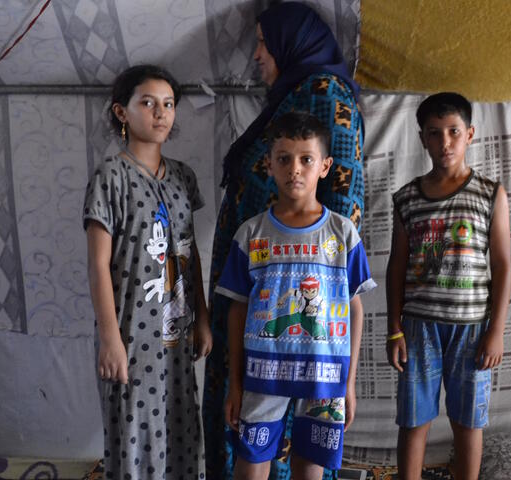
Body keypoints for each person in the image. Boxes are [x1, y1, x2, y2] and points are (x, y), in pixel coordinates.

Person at [204, 2, 365, 478]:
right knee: (252, 437)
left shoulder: (324, 94)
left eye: (262, 43)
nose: (256, 55)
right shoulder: (292, 97)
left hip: (308, 333)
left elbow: (344, 197)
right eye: (282, 159)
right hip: (258, 300)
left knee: (305, 454)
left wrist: (348, 381)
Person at [216, 112, 375, 479]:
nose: (295, 169)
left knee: (311, 467)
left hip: (324, 375)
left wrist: (347, 383)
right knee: (251, 461)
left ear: (324, 166)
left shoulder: (342, 233)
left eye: (306, 159)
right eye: (284, 158)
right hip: (263, 373)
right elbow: (237, 310)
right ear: (269, 165)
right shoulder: (252, 233)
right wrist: (236, 383)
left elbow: (355, 309)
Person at [83, 64, 213, 480]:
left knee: (180, 435)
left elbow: (188, 257)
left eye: (169, 104)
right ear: (122, 112)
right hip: (132, 338)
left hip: (176, 338)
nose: (161, 113)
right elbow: (98, 263)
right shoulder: (111, 177)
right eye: (148, 103)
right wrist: (109, 339)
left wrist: (203, 318)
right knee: (135, 443)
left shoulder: (182, 178)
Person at [385, 92, 511, 480]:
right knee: (413, 419)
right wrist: (394, 330)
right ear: (422, 138)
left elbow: (503, 264)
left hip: (472, 328)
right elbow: (396, 267)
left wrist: (496, 331)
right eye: (435, 133)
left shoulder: (491, 194)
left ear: (470, 134)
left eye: (454, 132)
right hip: (419, 326)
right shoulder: (407, 198)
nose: (445, 143)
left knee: (468, 421)